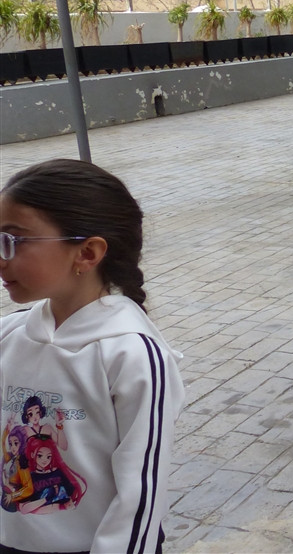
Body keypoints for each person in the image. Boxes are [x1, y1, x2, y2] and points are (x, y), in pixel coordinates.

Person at [0, 158, 185, 551]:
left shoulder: (132, 355)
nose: (1, 256)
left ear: (86, 253)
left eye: (13, 241)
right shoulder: (10, 334)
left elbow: (141, 493)